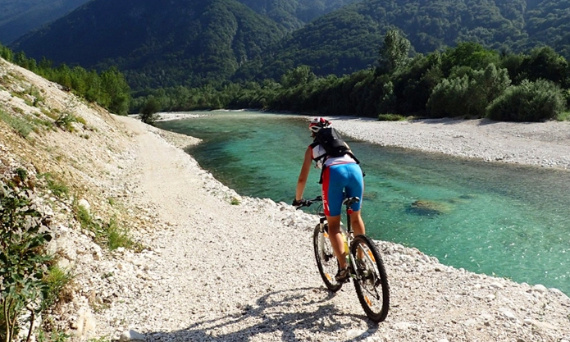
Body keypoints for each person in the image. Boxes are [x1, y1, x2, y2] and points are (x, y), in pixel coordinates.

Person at [293, 117, 366, 281]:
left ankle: (343, 267)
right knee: (356, 217)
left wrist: (298, 199)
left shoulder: (312, 149)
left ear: (313, 133)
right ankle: (361, 260)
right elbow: (353, 161)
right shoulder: (344, 145)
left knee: (333, 226)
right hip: (355, 172)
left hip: (333, 174)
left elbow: (302, 179)